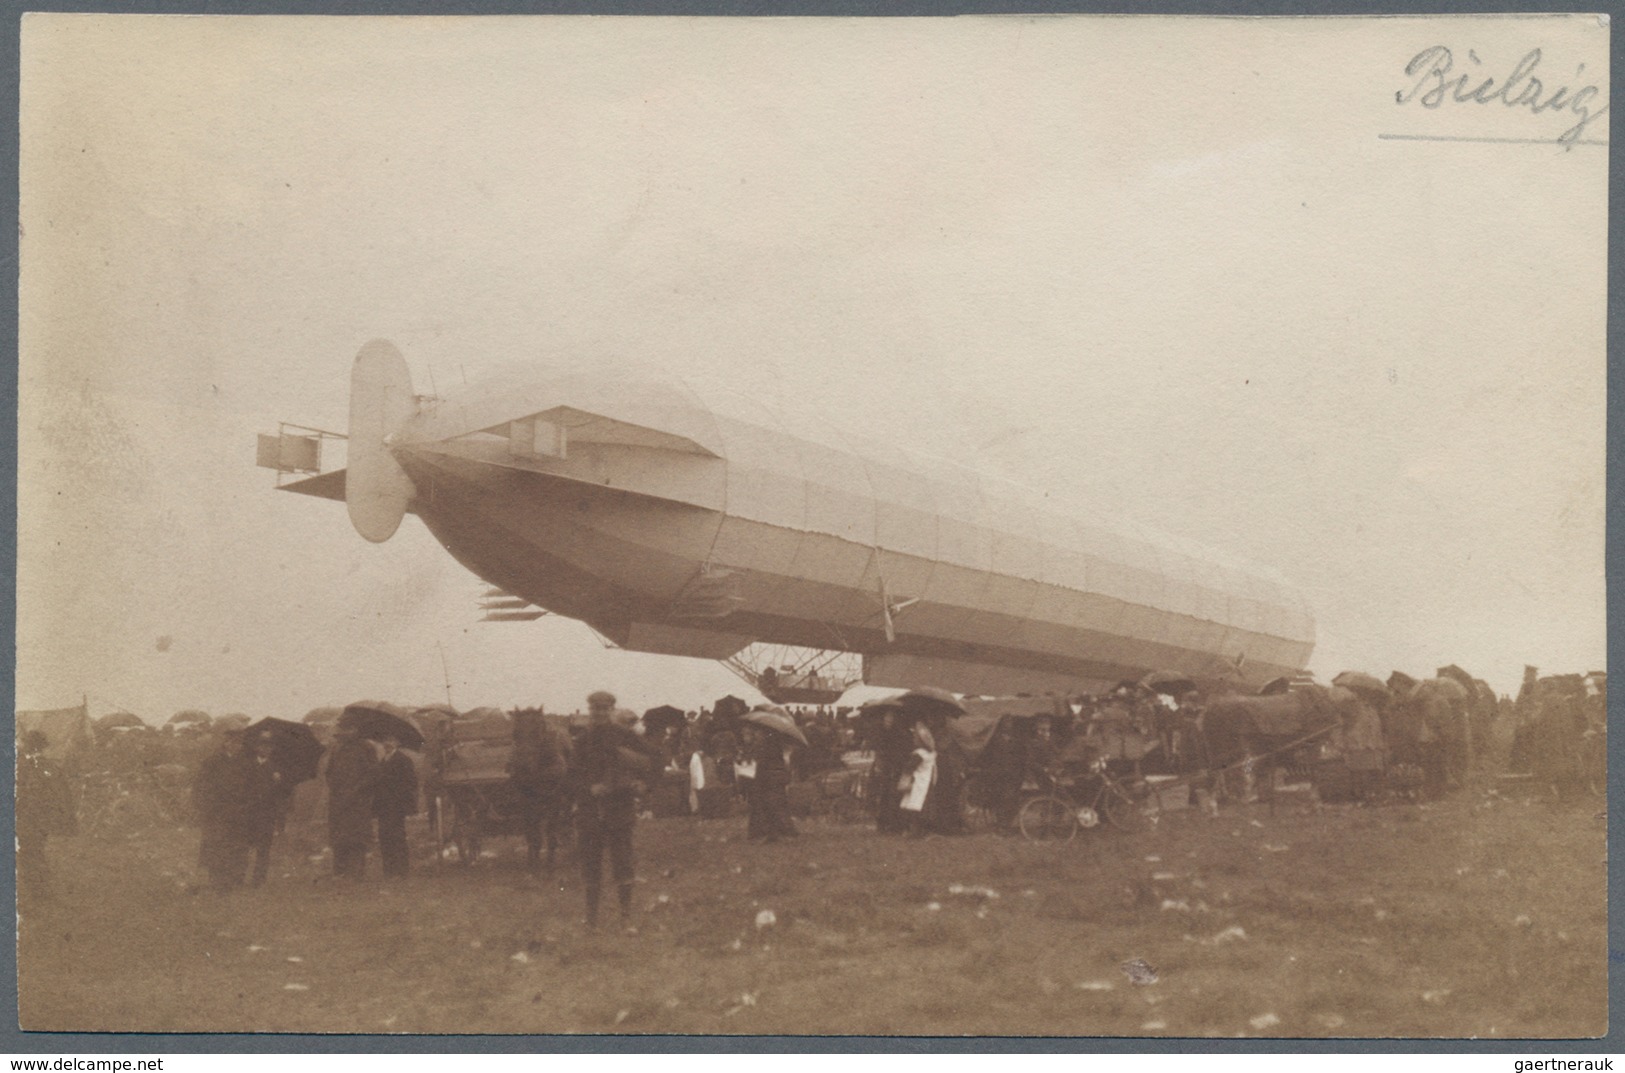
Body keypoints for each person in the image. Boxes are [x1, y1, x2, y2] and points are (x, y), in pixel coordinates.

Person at [569, 690, 656, 931]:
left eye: (604, 709)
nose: (598, 713)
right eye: (594, 709)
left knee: (623, 863)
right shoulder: (582, 741)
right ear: (589, 711)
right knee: (591, 865)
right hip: (590, 810)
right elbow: (572, 777)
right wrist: (589, 788)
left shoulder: (626, 736)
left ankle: (626, 918)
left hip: (620, 807)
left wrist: (643, 783)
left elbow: (654, 760)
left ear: (611, 710)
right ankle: (592, 920)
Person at [16, 730, 75, 902]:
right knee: (35, 852)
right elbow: (61, 793)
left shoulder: (22, 765)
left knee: (29, 854)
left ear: (27, 745)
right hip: (40, 818)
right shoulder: (48, 766)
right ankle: (41, 891)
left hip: (26, 817)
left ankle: (39, 892)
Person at [511, 711, 571, 872]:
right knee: (531, 820)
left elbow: (561, 767)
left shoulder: (552, 741)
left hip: (550, 787)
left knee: (553, 819)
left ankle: (550, 853)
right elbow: (513, 767)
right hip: (530, 788)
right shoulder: (519, 748)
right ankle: (534, 853)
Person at [193, 730, 252, 892]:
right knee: (216, 845)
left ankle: (234, 878)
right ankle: (216, 879)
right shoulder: (212, 761)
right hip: (217, 812)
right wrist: (206, 807)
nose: (236, 746)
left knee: (237, 846)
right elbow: (201, 786)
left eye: (239, 743)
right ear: (225, 743)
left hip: (238, 812)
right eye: (232, 742)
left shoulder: (245, 763)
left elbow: (250, 787)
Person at [325, 717, 379, 880]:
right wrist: (336, 788)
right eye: (343, 729)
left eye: (349, 728)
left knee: (357, 838)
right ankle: (339, 872)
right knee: (339, 837)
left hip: (358, 801)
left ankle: (356, 872)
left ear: (356, 729)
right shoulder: (337, 748)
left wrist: (356, 790)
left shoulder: (366, 748)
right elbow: (329, 772)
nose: (345, 732)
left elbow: (373, 774)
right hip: (338, 799)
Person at [742, 713, 798, 842]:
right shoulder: (773, 742)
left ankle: (773, 833)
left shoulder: (764, 745)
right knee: (775, 805)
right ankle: (778, 832)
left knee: (769, 805)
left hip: (767, 778)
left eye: (758, 732)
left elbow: (760, 763)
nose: (756, 734)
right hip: (774, 778)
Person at [243, 730, 286, 887]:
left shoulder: (276, 768)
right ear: (256, 747)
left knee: (263, 848)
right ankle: (239, 876)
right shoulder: (247, 765)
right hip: (248, 812)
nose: (265, 749)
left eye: (269, 746)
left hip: (267, 813)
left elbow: (282, 795)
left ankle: (258, 879)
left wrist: (278, 782)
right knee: (245, 845)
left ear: (272, 748)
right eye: (262, 745)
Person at [373, 734, 419, 878]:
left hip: (396, 805)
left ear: (398, 743)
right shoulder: (382, 761)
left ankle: (401, 871)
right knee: (384, 836)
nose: (387, 743)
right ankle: (389, 870)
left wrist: (398, 794)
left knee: (397, 836)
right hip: (383, 805)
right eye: (385, 740)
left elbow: (411, 783)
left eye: (391, 740)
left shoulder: (404, 760)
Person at [899, 721, 937, 837]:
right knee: (923, 805)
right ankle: (922, 830)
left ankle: (913, 830)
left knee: (914, 805)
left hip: (918, 782)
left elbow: (909, 768)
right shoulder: (931, 754)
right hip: (927, 781)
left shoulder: (919, 754)